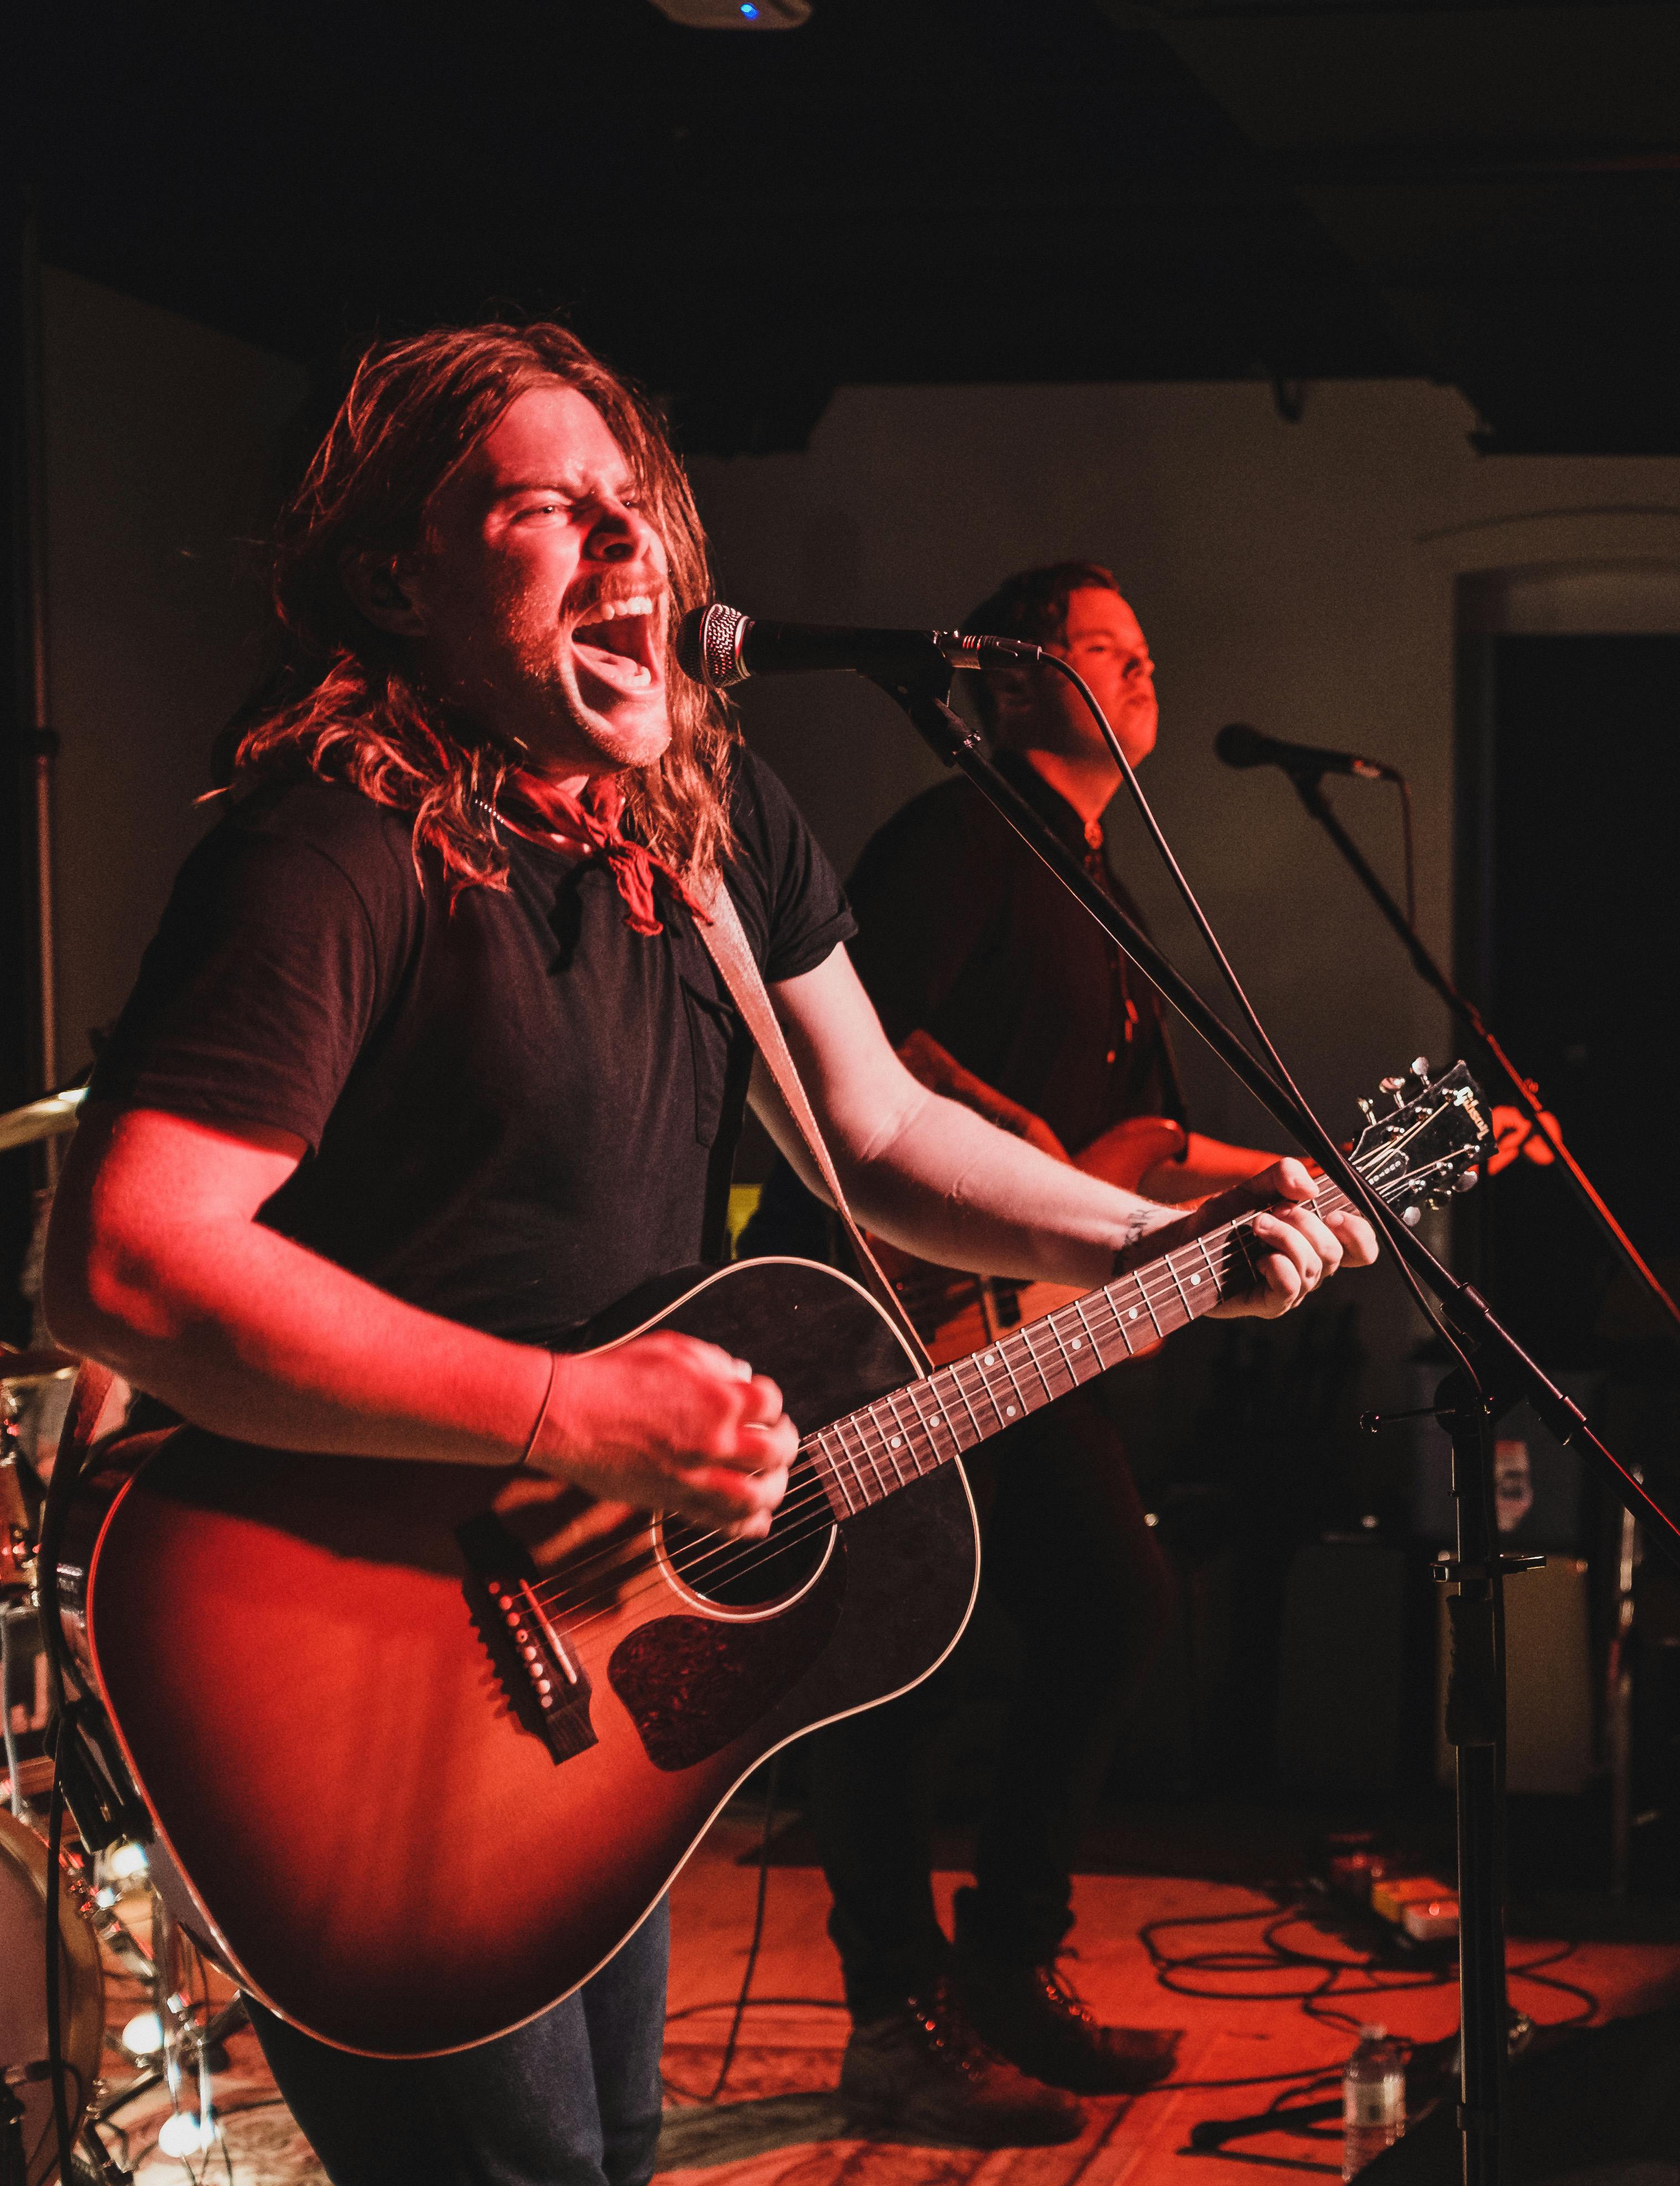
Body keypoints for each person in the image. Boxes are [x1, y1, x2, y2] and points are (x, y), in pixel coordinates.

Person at [39, 324, 1372, 2184]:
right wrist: (572, 1411)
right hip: (354, 1675)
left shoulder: (715, 828)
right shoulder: (335, 847)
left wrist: (1156, 1235)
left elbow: (884, 1134)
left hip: (593, 1687)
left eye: (636, 509)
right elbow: (124, 1267)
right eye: (544, 511)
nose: (627, 550)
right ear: (400, 577)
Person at [748, 560, 1301, 2142]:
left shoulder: (1104, 877)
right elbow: (874, 1053)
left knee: (1114, 1601)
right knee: (892, 1655)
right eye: (1106, 649)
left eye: (1146, 652)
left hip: (1024, 1324)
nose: (1142, 675)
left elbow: (1140, 1139)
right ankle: (897, 2007)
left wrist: (1277, 1178)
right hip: (905, 1313)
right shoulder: (959, 839)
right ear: (1005, 680)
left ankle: (1004, 1963)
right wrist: (1045, 1172)